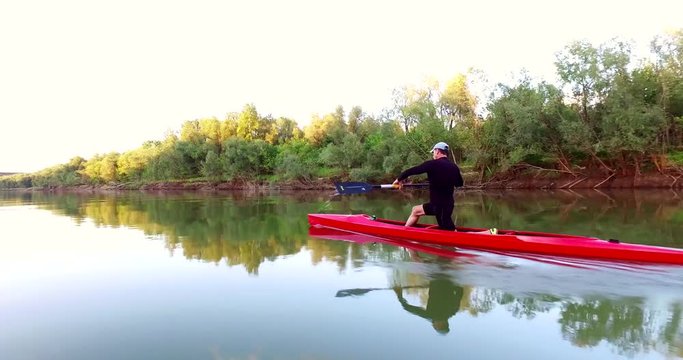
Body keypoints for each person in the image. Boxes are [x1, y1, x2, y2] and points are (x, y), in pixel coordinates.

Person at [393, 142, 464, 230]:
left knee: (450, 230)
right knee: (443, 226)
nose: (433, 154)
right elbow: (459, 183)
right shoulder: (454, 167)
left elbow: (413, 171)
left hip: (438, 206)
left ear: (437, 151)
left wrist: (398, 179)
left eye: (433, 152)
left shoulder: (431, 164)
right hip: (448, 205)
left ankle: (403, 232)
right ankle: (405, 231)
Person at [393, 276, 464, 335]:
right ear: (440, 325)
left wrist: (454, 283)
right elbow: (408, 308)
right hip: (436, 279)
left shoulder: (453, 310)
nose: (433, 325)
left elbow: (460, 292)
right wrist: (399, 295)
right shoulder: (431, 315)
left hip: (448, 279)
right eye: (435, 327)